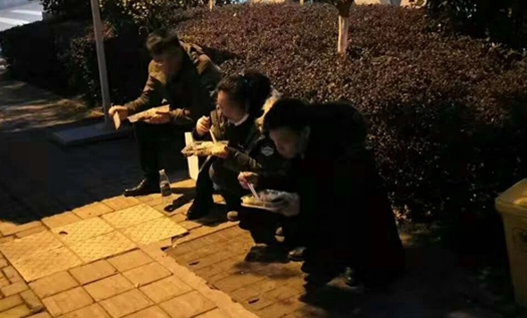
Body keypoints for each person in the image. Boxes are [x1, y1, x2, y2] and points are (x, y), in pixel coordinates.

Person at [239, 98, 404, 289]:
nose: (279, 148)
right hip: (337, 198)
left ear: (304, 133)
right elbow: (292, 176)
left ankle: (352, 260)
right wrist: (260, 179)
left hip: (361, 214)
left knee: (371, 267)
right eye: (275, 142)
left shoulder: (337, 151)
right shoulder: (301, 142)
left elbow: (339, 199)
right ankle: (324, 255)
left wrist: (302, 205)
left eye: (283, 141)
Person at [110, 32, 222, 197]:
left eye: (161, 61)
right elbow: (148, 97)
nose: (158, 66)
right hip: (177, 115)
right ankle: (151, 180)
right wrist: (127, 109)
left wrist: (169, 116)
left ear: (175, 55)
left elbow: (204, 108)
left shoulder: (201, 66)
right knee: (142, 123)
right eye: (155, 61)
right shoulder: (156, 65)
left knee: (203, 126)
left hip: (205, 120)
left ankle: (210, 184)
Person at [187, 72, 284, 221]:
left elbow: (265, 168)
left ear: (244, 106)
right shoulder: (222, 116)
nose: (220, 111)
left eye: (225, 107)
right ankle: (233, 203)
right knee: (214, 168)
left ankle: (268, 213)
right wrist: (199, 131)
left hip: (264, 179)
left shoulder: (263, 129)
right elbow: (209, 139)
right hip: (238, 171)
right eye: (218, 106)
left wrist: (231, 155)